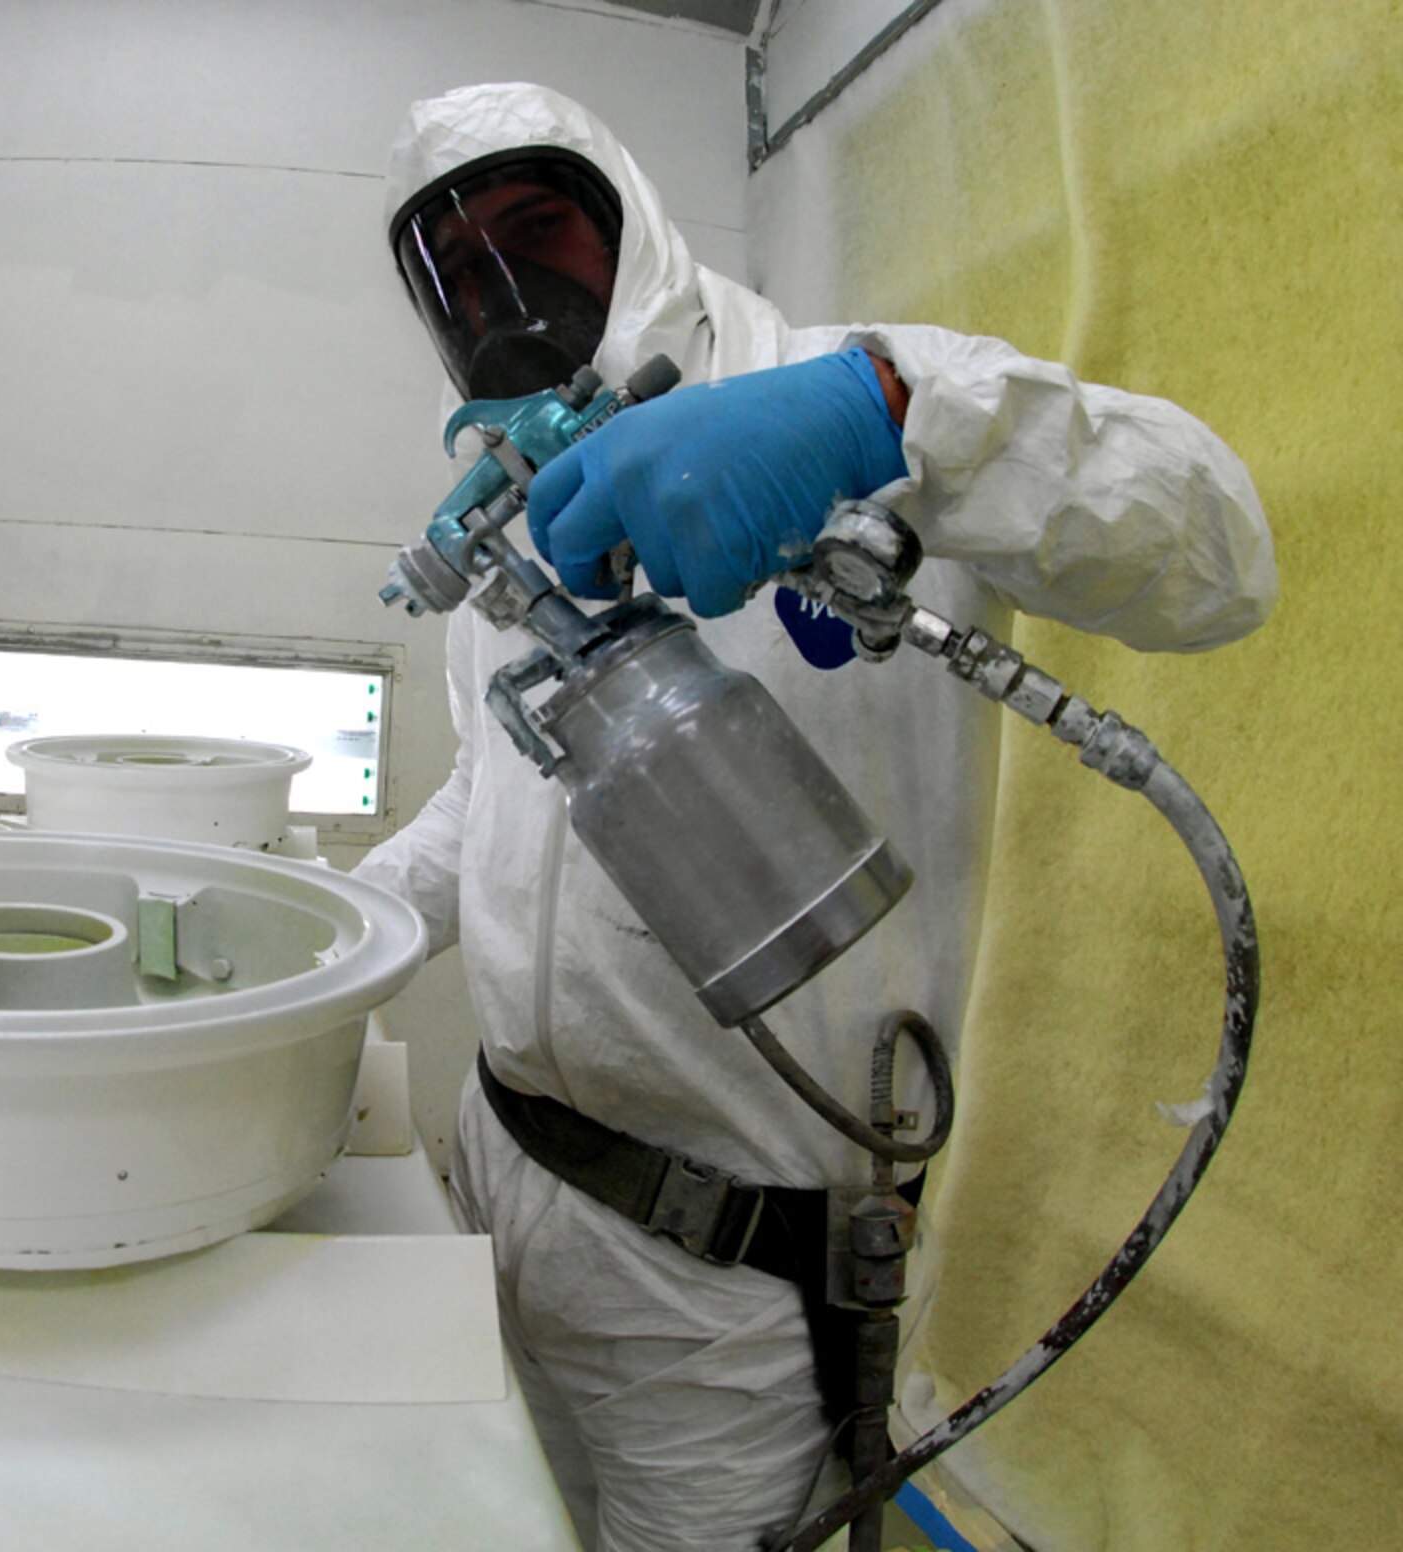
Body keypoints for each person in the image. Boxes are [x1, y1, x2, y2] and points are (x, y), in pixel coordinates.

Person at [354, 82, 1275, 1552]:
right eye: (461, 273)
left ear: (625, 220)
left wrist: (890, 423)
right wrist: (333, 929)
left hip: (724, 1284)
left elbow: (1219, 553)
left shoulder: (852, 391)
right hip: (502, 1176)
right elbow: (493, 787)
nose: (507, 291)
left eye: (539, 234)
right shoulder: (527, 500)